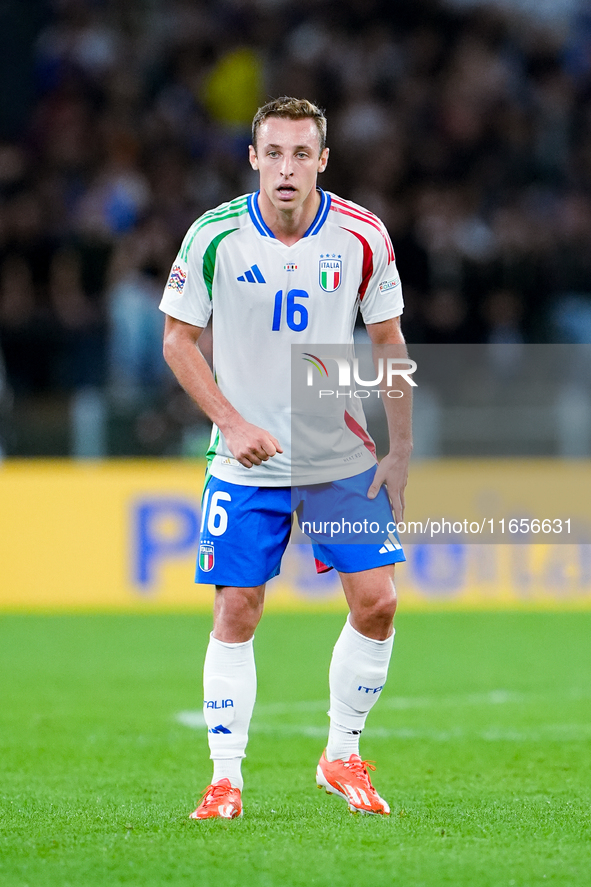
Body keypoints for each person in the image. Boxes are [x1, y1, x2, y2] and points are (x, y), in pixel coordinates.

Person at [160, 97, 412, 819]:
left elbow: (389, 344)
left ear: (322, 161)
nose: (286, 169)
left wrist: (400, 450)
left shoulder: (362, 234)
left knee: (379, 601)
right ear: (253, 158)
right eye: (273, 153)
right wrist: (230, 422)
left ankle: (340, 753)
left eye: (302, 154)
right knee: (237, 610)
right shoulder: (214, 237)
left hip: (338, 451)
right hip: (246, 461)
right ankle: (224, 777)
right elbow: (178, 340)